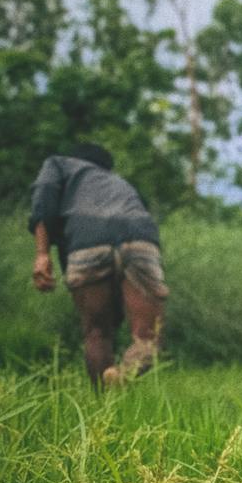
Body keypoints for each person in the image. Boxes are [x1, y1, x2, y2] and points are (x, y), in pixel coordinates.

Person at [27, 143, 169, 389]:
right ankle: (122, 375)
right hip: (139, 237)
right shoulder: (121, 184)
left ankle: (104, 401)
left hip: (87, 240)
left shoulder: (59, 163)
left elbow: (44, 200)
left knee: (96, 333)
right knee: (148, 337)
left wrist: (42, 254)